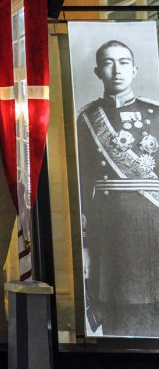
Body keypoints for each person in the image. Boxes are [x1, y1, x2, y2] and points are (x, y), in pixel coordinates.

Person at [76, 40, 159, 337]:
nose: (117, 70)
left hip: (152, 228)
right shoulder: (87, 120)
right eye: (109, 64)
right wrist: (85, 238)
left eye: (124, 62)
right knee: (118, 314)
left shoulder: (156, 114)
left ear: (135, 70)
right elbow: (84, 183)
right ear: (99, 72)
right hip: (110, 233)